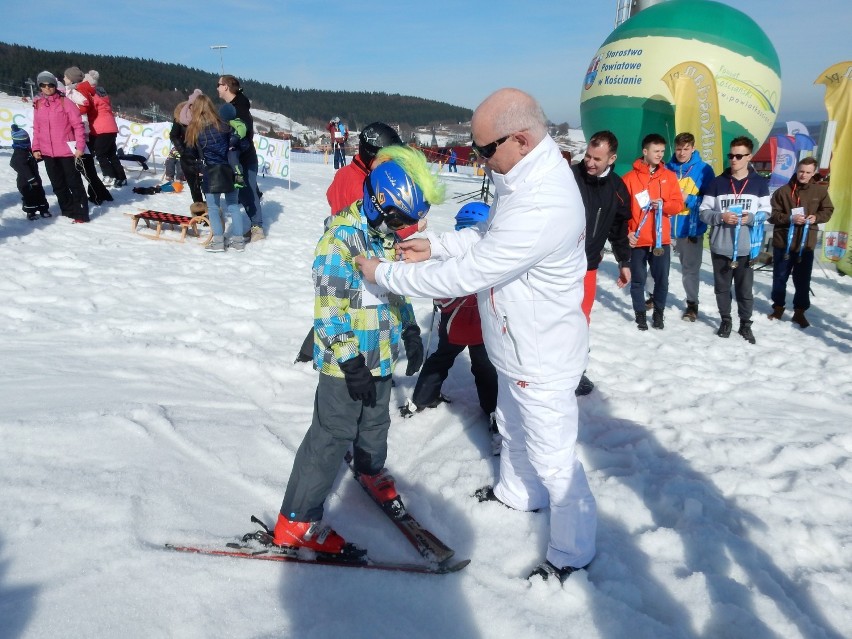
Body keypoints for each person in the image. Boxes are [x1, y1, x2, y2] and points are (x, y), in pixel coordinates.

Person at [356, 88, 597, 583]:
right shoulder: (522, 176)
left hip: (541, 353)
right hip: (514, 343)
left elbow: (469, 275)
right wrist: (438, 243)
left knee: (555, 462)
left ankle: (572, 554)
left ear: (523, 140)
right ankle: (516, 493)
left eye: (486, 151)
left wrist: (385, 274)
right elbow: (490, 236)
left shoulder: (543, 202)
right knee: (510, 428)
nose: (480, 160)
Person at [272, 146, 444, 552]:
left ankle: (370, 470)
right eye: (401, 220)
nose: (405, 229)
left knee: (374, 424)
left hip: (380, 356)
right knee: (330, 437)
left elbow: (391, 288)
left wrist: (410, 330)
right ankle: (296, 520)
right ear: (381, 205)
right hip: (344, 366)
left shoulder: (383, 239)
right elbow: (328, 313)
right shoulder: (340, 241)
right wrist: (350, 361)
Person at [294, 122, 404, 364]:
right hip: (354, 250)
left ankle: (306, 352)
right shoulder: (366, 186)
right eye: (387, 160)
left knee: (335, 302)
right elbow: (375, 220)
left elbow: (330, 195)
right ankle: (355, 358)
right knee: (346, 308)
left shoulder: (345, 173)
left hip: (343, 238)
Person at [399, 201, 500, 455]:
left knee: (441, 359)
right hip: (477, 326)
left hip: (453, 323)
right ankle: (493, 411)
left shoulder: (454, 258)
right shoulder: (486, 258)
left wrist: (441, 301)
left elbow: (440, 290)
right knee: (485, 367)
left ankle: (422, 398)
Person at [571, 130, 631, 396]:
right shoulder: (569, 177)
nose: (590, 163)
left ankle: (575, 372)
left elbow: (619, 229)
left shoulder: (617, 189)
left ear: (612, 158)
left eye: (597, 158)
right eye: (587, 155)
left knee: (580, 321)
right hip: (557, 264)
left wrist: (624, 261)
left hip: (588, 267)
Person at [699, 136, 770, 344]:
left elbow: (767, 211)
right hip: (721, 246)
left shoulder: (759, 184)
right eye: (731, 155)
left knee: (744, 289)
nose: (734, 160)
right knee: (722, 288)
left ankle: (746, 324)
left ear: (749, 157)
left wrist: (752, 218)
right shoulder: (718, 182)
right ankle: (725, 320)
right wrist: (720, 217)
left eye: (739, 156)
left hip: (746, 247)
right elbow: (704, 212)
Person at [622, 133, 684, 330]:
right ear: (645, 151)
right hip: (638, 240)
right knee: (638, 280)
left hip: (661, 240)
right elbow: (621, 212)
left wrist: (664, 205)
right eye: (656, 151)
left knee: (661, 281)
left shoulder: (669, 177)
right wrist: (627, 232)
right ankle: (640, 314)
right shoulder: (629, 179)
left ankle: (658, 314)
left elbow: (678, 205)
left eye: (663, 151)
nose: (660, 155)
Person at [767, 157, 834, 328]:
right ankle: (778, 307)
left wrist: (816, 217)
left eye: (808, 172)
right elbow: (773, 215)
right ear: (797, 170)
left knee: (803, 280)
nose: (803, 175)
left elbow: (827, 210)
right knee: (780, 277)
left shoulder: (819, 192)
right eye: (801, 171)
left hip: (806, 245)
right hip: (784, 242)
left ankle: (799, 312)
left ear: (814, 173)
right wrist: (789, 218)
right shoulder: (783, 191)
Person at [182, 91, 251, 252]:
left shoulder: (195, 130)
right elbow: (243, 145)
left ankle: (219, 241)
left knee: (213, 208)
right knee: (233, 205)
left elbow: (189, 155)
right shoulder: (225, 125)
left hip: (210, 172)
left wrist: (199, 169)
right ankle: (238, 241)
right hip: (230, 170)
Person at [665, 132, 716, 322]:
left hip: (690, 230)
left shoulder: (704, 170)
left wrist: (689, 198)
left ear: (693, 148)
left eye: (686, 149)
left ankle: (692, 305)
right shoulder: (666, 169)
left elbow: (710, 202)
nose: (681, 153)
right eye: (678, 149)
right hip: (666, 228)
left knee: (690, 271)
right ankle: (653, 297)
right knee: (657, 268)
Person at [31, 71, 89, 223]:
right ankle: (67, 210)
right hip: (48, 152)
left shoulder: (66, 102)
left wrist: (80, 147)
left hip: (66, 151)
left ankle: (81, 213)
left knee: (74, 183)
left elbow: (78, 126)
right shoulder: (38, 104)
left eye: (50, 84)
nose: (47, 88)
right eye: (43, 85)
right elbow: (37, 128)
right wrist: (36, 148)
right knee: (57, 184)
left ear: (55, 85)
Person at [217, 75, 263, 240]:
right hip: (235, 157)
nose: (217, 88)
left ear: (226, 87)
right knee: (242, 193)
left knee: (248, 191)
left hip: (244, 157)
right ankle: (254, 224)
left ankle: (257, 227)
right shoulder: (233, 106)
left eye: (218, 85)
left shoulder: (239, 109)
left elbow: (244, 135)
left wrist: (233, 147)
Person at [61, 66, 112, 205]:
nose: (63, 78)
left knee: (85, 167)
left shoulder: (77, 90)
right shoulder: (81, 89)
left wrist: (72, 110)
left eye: (65, 77)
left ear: (71, 78)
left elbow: (84, 105)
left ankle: (97, 196)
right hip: (84, 130)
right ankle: (103, 194)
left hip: (81, 131)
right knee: (87, 167)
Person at [75, 70, 129, 188]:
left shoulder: (90, 95)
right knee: (111, 154)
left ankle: (109, 176)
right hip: (111, 128)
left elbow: (88, 109)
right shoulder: (103, 94)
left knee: (100, 154)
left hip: (100, 128)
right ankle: (121, 177)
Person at [9, 124, 52, 220]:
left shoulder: (27, 151)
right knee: (29, 196)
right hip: (25, 181)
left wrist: (41, 157)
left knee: (40, 193)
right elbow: (20, 166)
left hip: (36, 178)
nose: (27, 143)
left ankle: (43, 209)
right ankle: (31, 212)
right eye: (25, 141)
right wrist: (31, 179)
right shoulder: (18, 155)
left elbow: (32, 159)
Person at [169, 100, 204, 205]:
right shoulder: (180, 118)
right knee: (194, 187)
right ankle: (200, 213)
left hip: (202, 155)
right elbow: (173, 135)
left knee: (206, 187)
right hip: (188, 156)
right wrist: (183, 151)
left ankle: (210, 212)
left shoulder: (202, 117)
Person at [218, 103, 248, 189]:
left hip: (236, 146)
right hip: (227, 145)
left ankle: (239, 178)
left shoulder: (235, 122)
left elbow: (242, 129)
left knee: (233, 159)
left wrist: (236, 137)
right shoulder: (221, 123)